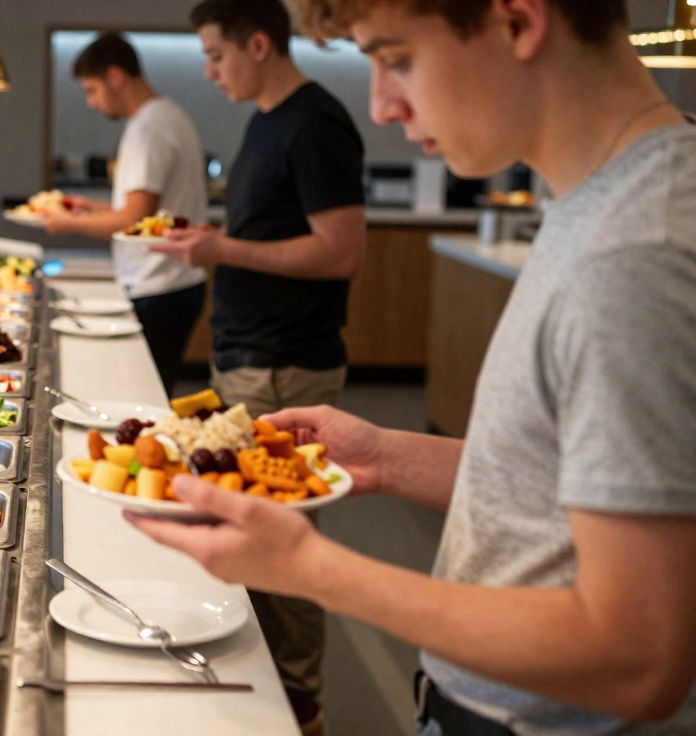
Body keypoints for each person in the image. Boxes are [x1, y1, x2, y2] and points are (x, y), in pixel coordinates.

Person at [130, 0, 696, 734]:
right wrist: (387, 457)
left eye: (396, 59)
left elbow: (635, 658)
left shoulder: (637, 254)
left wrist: (312, 570)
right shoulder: (601, 202)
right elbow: (569, 490)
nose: (382, 104)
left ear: (517, 21)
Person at [150, 2, 367, 730]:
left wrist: (222, 251)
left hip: (284, 366)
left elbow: (341, 251)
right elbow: (273, 233)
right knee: (253, 545)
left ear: (260, 42)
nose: (209, 72)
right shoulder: (267, 120)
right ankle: (266, 703)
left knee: (282, 550)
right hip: (251, 354)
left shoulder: (316, 122)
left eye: (216, 55)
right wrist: (216, 240)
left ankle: (301, 710)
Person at [42, 32, 209, 394]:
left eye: (92, 90)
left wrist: (69, 223)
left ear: (115, 76)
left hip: (158, 283)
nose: (91, 102)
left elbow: (132, 219)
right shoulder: (168, 115)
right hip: (175, 281)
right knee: (152, 386)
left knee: (143, 393)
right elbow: (149, 213)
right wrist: (91, 208)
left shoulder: (148, 127)